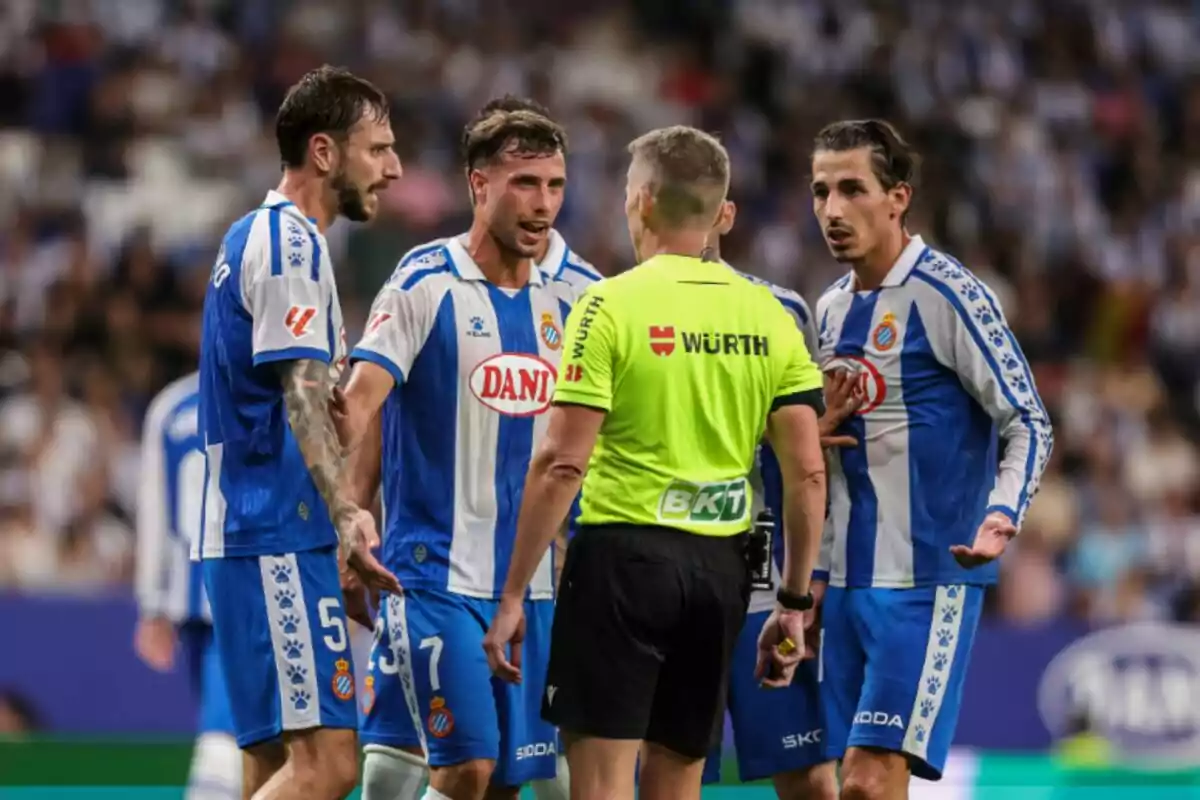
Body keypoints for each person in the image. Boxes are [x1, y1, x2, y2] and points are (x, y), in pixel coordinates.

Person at [483, 125, 829, 800]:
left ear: (641, 199)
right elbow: (807, 473)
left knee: (602, 785)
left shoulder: (608, 304)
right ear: (718, 209)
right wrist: (791, 603)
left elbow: (561, 463)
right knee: (678, 782)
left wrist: (514, 592)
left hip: (622, 561)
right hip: (721, 571)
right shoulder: (769, 315)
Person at [334, 105, 587, 800]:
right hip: (431, 574)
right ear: (479, 185)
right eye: (524, 184)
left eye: (555, 185)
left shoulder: (582, 297)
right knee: (463, 766)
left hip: (533, 587)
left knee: (500, 781)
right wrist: (350, 515)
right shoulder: (423, 282)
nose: (543, 204)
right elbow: (364, 407)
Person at [807, 119, 1053, 799]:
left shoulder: (947, 292)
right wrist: (814, 575)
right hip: (847, 582)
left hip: (926, 578)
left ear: (898, 198)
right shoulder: (829, 310)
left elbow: (1028, 419)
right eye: (821, 191)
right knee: (835, 782)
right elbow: (834, 459)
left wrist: (1003, 511)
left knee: (867, 781)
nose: (832, 210)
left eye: (852, 189)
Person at [196, 65, 403, 800]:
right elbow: (303, 393)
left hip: (245, 534)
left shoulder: (253, 236)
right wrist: (345, 513)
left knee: (272, 767)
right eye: (377, 149)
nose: (393, 169)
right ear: (324, 151)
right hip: (274, 531)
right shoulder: (289, 244)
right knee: (329, 766)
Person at [699, 202, 859, 800]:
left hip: (766, 583)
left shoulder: (782, 310)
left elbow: (815, 462)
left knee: (812, 779)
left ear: (726, 214)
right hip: (667, 582)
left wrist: (814, 574)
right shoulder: (617, 306)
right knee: (666, 776)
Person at [135, 371, 241, 800]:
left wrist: (152, 603)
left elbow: (153, 508)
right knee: (232, 734)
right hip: (214, 600)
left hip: (214, 601)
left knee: (225, 732)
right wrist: (151, 604)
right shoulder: (171, 406)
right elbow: (154, 505)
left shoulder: (170, 405)